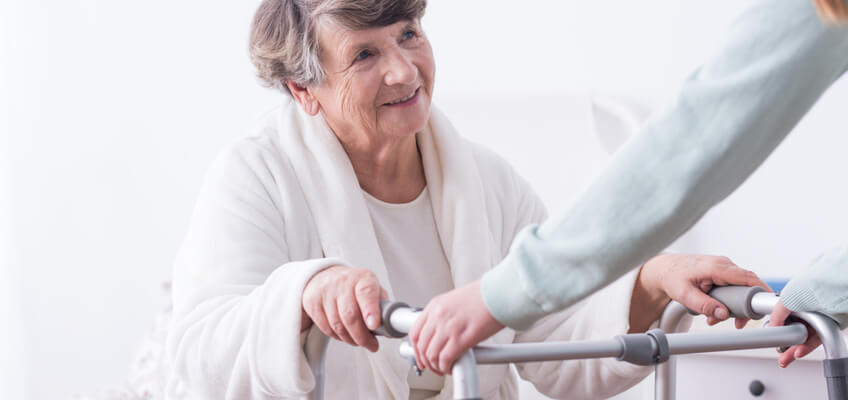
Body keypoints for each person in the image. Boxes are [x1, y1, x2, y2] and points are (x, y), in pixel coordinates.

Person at [161, 0, 769, 399]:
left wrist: (653, 282)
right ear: (303, 90)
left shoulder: (485, 180)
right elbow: (196, 351)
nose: (404, 70)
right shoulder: (255, 174)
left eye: (409, 34)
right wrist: (304, 294)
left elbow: (554, 330)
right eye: (365, 54)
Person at [410, 0, 848, 375]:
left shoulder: (495, 186)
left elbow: (707, 132)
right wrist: (830, 288)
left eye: (410, 35)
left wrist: (502, 294)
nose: (399, 73)